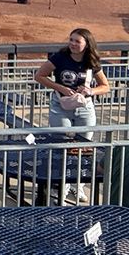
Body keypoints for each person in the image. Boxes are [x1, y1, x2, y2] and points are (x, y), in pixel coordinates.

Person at [33, 27, 110, 203]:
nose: (73, 44)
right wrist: (60, 88)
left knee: (83, 149)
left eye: (77, 41)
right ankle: (63, 186)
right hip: (61, 106)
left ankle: (78, 185)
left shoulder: (91, 61)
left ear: (86, 44)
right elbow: (39, 75)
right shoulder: (59, 57)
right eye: (71, 40)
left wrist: (91, 91)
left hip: (85, 107)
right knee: (62, 146)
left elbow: (106, 86)